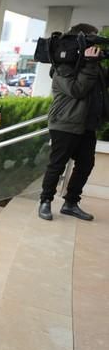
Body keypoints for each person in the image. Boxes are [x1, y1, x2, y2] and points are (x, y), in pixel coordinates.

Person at [38, 23, 109, 221]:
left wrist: (96, 61)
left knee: (86, 164)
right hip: (65, 122)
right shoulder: (63, 67)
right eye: (92, 40)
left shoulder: (91, 64)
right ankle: (45, 201)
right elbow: (77, 90)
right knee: (57, 164)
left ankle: (70, 203)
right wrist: (90, 63)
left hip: (87, 124)